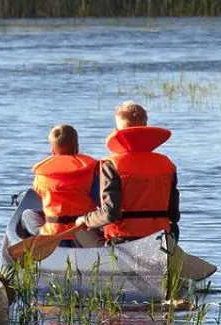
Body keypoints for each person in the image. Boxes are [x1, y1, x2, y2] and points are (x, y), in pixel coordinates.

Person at [75, 102, 180, 243]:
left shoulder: (112, 165)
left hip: (123, 240)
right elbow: (173, 215)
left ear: (117, 131)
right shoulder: (167, 164)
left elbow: (109, 214)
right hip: (160, 239)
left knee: (80, 232)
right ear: (145, 128)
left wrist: (85, 220)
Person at [21, 124, 103, 247]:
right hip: (83, 233)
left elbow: (43, 201)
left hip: (52, 235)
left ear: (52, 150)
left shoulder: (41, 176)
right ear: (77, 147)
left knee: (27, 214)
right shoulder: (92, 172)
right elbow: (101, 202)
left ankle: (36, 241)